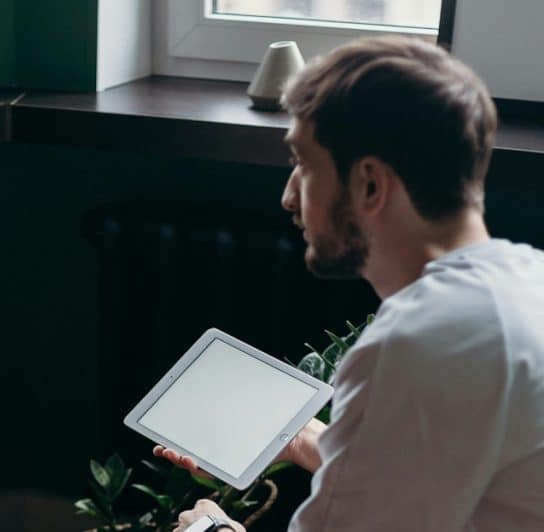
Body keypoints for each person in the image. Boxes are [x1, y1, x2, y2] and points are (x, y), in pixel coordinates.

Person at [157, 35, 544, 531]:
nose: (289, 198)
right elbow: (433, 477)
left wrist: (210, 529)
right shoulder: (522, 286)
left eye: (303, 165)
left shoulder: (418, 342)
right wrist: (295, 435)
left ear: (369, 184)